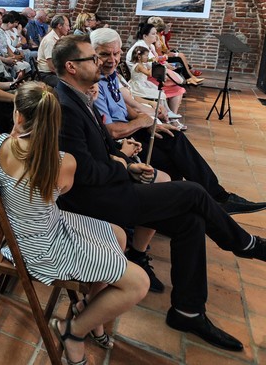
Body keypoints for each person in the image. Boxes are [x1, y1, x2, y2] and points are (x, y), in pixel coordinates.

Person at [52, 34, 266, 352]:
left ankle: (188, 312)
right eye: (92, 58)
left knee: (190, 221)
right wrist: (123, 168)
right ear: (71, 67)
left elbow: (102, 148)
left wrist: (127, 161)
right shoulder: (65, 106)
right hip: (92, 201)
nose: (100, 63)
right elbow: (82, 172)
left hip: (108, 187)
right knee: (193, 192)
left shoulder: (78, 96)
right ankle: (246, 244)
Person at [0, 82, 149, 364]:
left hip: (37, 228)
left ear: (18, 115)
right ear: (54, 119)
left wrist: (13, 137)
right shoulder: (62, 161)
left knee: (118, 235)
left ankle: (89, 309)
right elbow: (64, 189)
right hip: (40, 246)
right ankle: (73, 331)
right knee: (139, 283)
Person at [90, 28, 266, 215]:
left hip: (131, 129)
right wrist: (143, 121)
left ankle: (217, 197)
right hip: (119, 141)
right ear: (92, 54)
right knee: (172, 158)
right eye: (105, 54)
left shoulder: (110, 75)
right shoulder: (93, 83)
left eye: (116, 53)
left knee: (175, 137)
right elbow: (112, 131)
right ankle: (186, 206)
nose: (112, 59)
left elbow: (124, 107)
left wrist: (150, 123)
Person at [150, 17, 203, 83]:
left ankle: (190, 76)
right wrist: (166, 56)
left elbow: (164, 48)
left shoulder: (159, 36)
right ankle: (189, 77)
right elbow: (157, 54)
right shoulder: (154, 39)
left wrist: (167, 53)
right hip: (160, 59)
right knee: (179, 59)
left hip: (163, 56)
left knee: (179, 56)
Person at [37, 14, 70, 86]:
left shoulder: (60, 38)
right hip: (47, 74)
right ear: (59, 26)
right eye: (67, 25)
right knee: (69, 84)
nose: (69, 28)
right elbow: (52, 67)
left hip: (55, 72)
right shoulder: (50, 40)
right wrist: (67, 76)